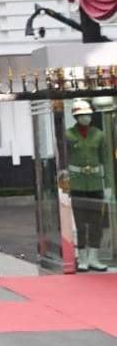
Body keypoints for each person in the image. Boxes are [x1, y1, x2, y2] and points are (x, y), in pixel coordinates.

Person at [66, 99, 109, 271]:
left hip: (96, 184)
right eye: (82, 115)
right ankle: (82, 258)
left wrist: (108, 184)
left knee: (96, 222)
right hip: (76, 183)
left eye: (88, 115)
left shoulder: (99, 134)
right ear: (76, 117)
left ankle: (94, 258)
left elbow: (105, 159)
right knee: (80, 222)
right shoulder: (68, 135)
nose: (86, 118)